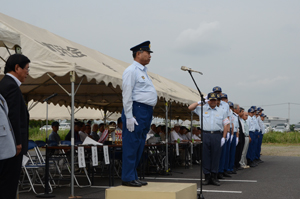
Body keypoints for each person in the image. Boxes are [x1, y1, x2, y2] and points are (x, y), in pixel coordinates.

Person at [121, 41, 157, 187]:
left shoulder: (143, 72)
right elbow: (127, 94)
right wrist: (129, 116)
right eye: (147, 53)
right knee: (131, 143)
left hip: (146, 110)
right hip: (137, 110)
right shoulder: (131, 70)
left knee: (140, 144)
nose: (150, 56)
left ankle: (133, 175)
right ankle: (127, 177)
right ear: (138, 54)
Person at [0, 54, 30, 198]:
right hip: (12, 145)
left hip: (7, 144)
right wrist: (17, 142)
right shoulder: (11, 86)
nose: (28, 73)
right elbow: (13, 117)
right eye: (26, 69)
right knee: (9, 185)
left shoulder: (5, 84)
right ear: (17, 68)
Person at [188, 92, 227, 186]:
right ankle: (207, 176)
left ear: (217, 101)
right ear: (208, 101)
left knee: (216, 156)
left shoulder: (222, 111)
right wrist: (199, 102)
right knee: (205, 156)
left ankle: (214, 176)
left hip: (217, 135)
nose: (213, 102)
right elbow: (190, 108)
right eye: (211, 100)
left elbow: (225, 125)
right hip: (205, 134)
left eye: (214, 100)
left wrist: (224, 137)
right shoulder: (202, 108)